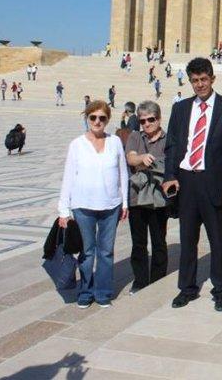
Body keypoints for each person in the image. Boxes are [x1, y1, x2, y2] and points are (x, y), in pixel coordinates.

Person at [162, 58, 222, 312]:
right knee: (187, 239)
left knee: (218, 239)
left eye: (203, 79)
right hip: (187, 181)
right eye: (195, 80)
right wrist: (169, 176)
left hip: (214, 181)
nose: (200, 85)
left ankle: (221, 290)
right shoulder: (181, 108)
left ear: (212, 79)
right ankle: (187, 288)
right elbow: (172, 145)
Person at [57, 100, 129, 308]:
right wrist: (63, 210)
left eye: (102, 118)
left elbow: (122, 173)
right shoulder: (77, 144)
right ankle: (86, 292)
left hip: (111, 205)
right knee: (87, 252)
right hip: (83, 206)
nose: (97, 121)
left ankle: (104, 293)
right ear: (87, 118)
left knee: (106, 251)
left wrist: (125, 202)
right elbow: (68, 177)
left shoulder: (115, 141)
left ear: (107, 120)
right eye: (93, 117)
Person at [125, 101, 170, 294]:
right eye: (143, 120)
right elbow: (131, 158)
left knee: (159, 240)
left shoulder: (169, 139)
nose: (147, 124)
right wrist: (141, 159)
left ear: (159, 119)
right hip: (137, 197)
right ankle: (140, 280)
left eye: (151, 119)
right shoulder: (136, 136)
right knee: (139, 242)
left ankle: (159, 280)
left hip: (159, 198)